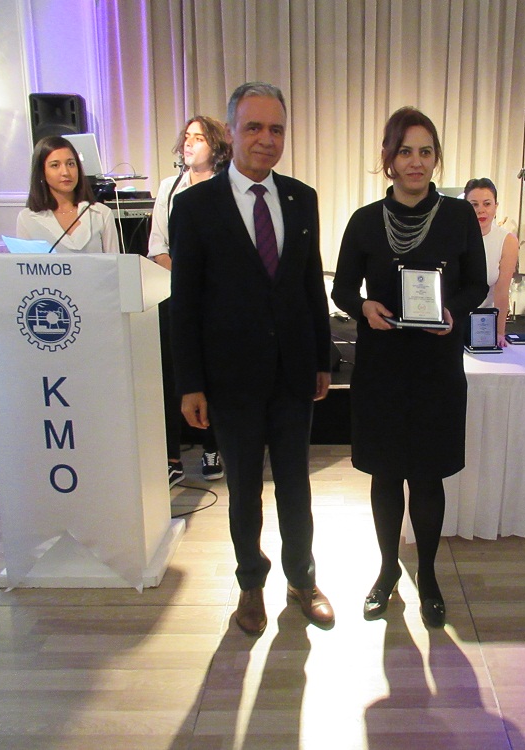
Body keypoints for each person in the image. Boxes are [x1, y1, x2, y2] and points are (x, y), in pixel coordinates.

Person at [169, 82, 334, 635]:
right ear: (232, 132)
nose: (267, 139)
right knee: (243, 490)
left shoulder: (302, 198)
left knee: (295, 486)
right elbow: (185, 302)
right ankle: (250, 585)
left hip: (293, 372)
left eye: (277, 129)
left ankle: (302, 578)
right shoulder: (195, 206)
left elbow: (309, 285)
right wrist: (190, 383)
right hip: (230, 378)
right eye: (254, 127)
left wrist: (322, 358)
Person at [331, 107, 488, 627]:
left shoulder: (459, 217)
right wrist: (364, 308)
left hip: (436, 366)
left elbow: (476, 283)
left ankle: (429, 574)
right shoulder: (364, 220)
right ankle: (386, 571)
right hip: (382, 366)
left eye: (425, 151)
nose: (415, 162)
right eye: (405, 151)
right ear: (388, 158)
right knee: (384, 475)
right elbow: (342, 289)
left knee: (427, 476)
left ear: (436, 157)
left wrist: (453, 312)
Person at [148, 115, 231, 486]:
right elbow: (157, 246)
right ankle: (171, 456)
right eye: (186, 136)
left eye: (198, 137)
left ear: (215, 146)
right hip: (174, 293)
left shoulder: (226, 187)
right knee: (172, 373)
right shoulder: (169, 188)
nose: (189, 143)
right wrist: (183, 281)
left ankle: (213, 447)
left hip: (215, 298)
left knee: (213, 374)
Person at [15, 135, 120, 254]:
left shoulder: (101, 214)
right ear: (41, 172)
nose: (65, 172)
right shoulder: (27, 218)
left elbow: (115, 263)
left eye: (70, 164)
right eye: (55, 165)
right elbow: (25, 265)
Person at [463, 177, 519, 346]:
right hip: (454, 317)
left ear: (496, 206)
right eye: (474, 205)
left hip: (483, 321)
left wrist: (499, 332)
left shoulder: (507, 240)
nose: (481, 210)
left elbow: (502, 291)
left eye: (487, 204)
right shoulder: (453, 236)